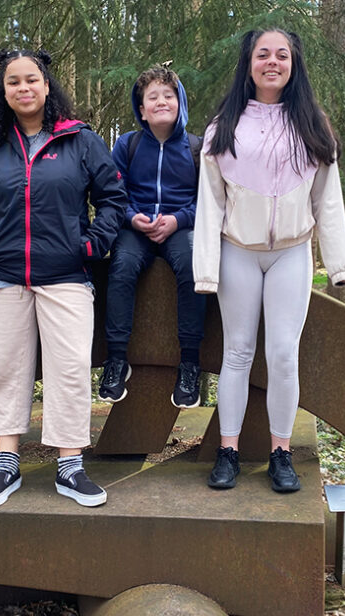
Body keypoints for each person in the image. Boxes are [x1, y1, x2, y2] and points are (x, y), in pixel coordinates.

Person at [193, 29, 345, 493]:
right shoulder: (225, 125)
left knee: (283, 355)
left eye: (282, 55)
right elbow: (211, 203)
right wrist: (206, 268)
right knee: (238, 353)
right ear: (249, 63)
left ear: (293, 65)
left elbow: (328, 199)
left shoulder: (314, 125)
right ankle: (229, 452)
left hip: (291, 253)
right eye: (263, 54)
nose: (272, 62)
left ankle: (281, 454)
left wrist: (339, 264)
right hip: (237, 253)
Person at [0, 48, 126, 509]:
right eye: (13, 82)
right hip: (5, 276)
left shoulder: (80, 141)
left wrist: (93, 244)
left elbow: (113, 197)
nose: (23, 88)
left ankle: (70, 467)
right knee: (4, 370)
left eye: (31, 79)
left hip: (66, 276)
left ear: (47, 85)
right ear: (5, 91)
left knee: (69, 369)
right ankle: (7, 464)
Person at [98, 65, 207, 408]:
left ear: (181, 104)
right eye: (152, 97)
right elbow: (114, 193)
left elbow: (207, 199)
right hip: (137, 229)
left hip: (180, 228)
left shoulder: (196, 148)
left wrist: (177, 220)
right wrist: (132, 217)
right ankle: (116, 359)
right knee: (122, 265)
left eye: (169, 95)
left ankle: (189, 362)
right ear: (141, 109)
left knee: (193, 265)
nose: (161, 101)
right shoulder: (127, 145)